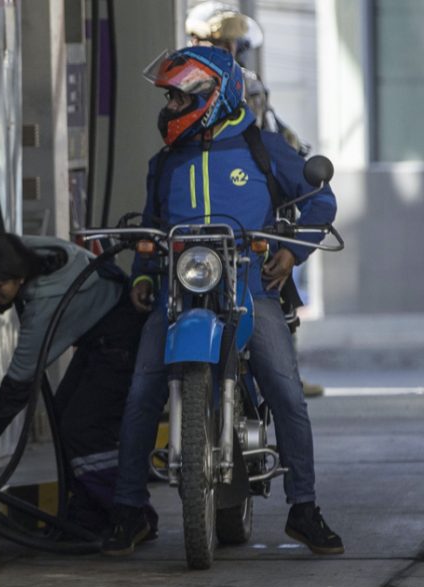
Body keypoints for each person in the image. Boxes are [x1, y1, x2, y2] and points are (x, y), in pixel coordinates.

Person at [102, 45, 342, 557]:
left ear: (213, 96)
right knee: (141, 392)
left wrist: (291, 252)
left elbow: (320, 201)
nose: (170, 107)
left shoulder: (263, 148)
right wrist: (143, 275)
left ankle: (304, 507)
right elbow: (152, 227)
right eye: (168, 99)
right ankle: (129, 509)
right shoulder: (166, 161)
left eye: (177, 98)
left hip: (252, 289)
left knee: (286, 391)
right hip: (177, 295)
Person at [0, 232, 155, 538]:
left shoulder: (45, 306)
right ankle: (89, 517)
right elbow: (3, 291)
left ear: (19, 278)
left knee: (82, 429)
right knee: (62, 417)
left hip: (122, 341)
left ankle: (130, 512)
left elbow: (17, 387)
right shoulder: (31, 250)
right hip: (100, 337)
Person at [185, 0, 322, 397]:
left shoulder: (242, 83)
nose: (226, 51)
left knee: (276, 287)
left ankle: (283, 375)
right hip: (211, 199)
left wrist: (288, 148)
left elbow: (264, 130)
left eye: (229, 46)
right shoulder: (192, 80)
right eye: (217, 44)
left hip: (249, 197)